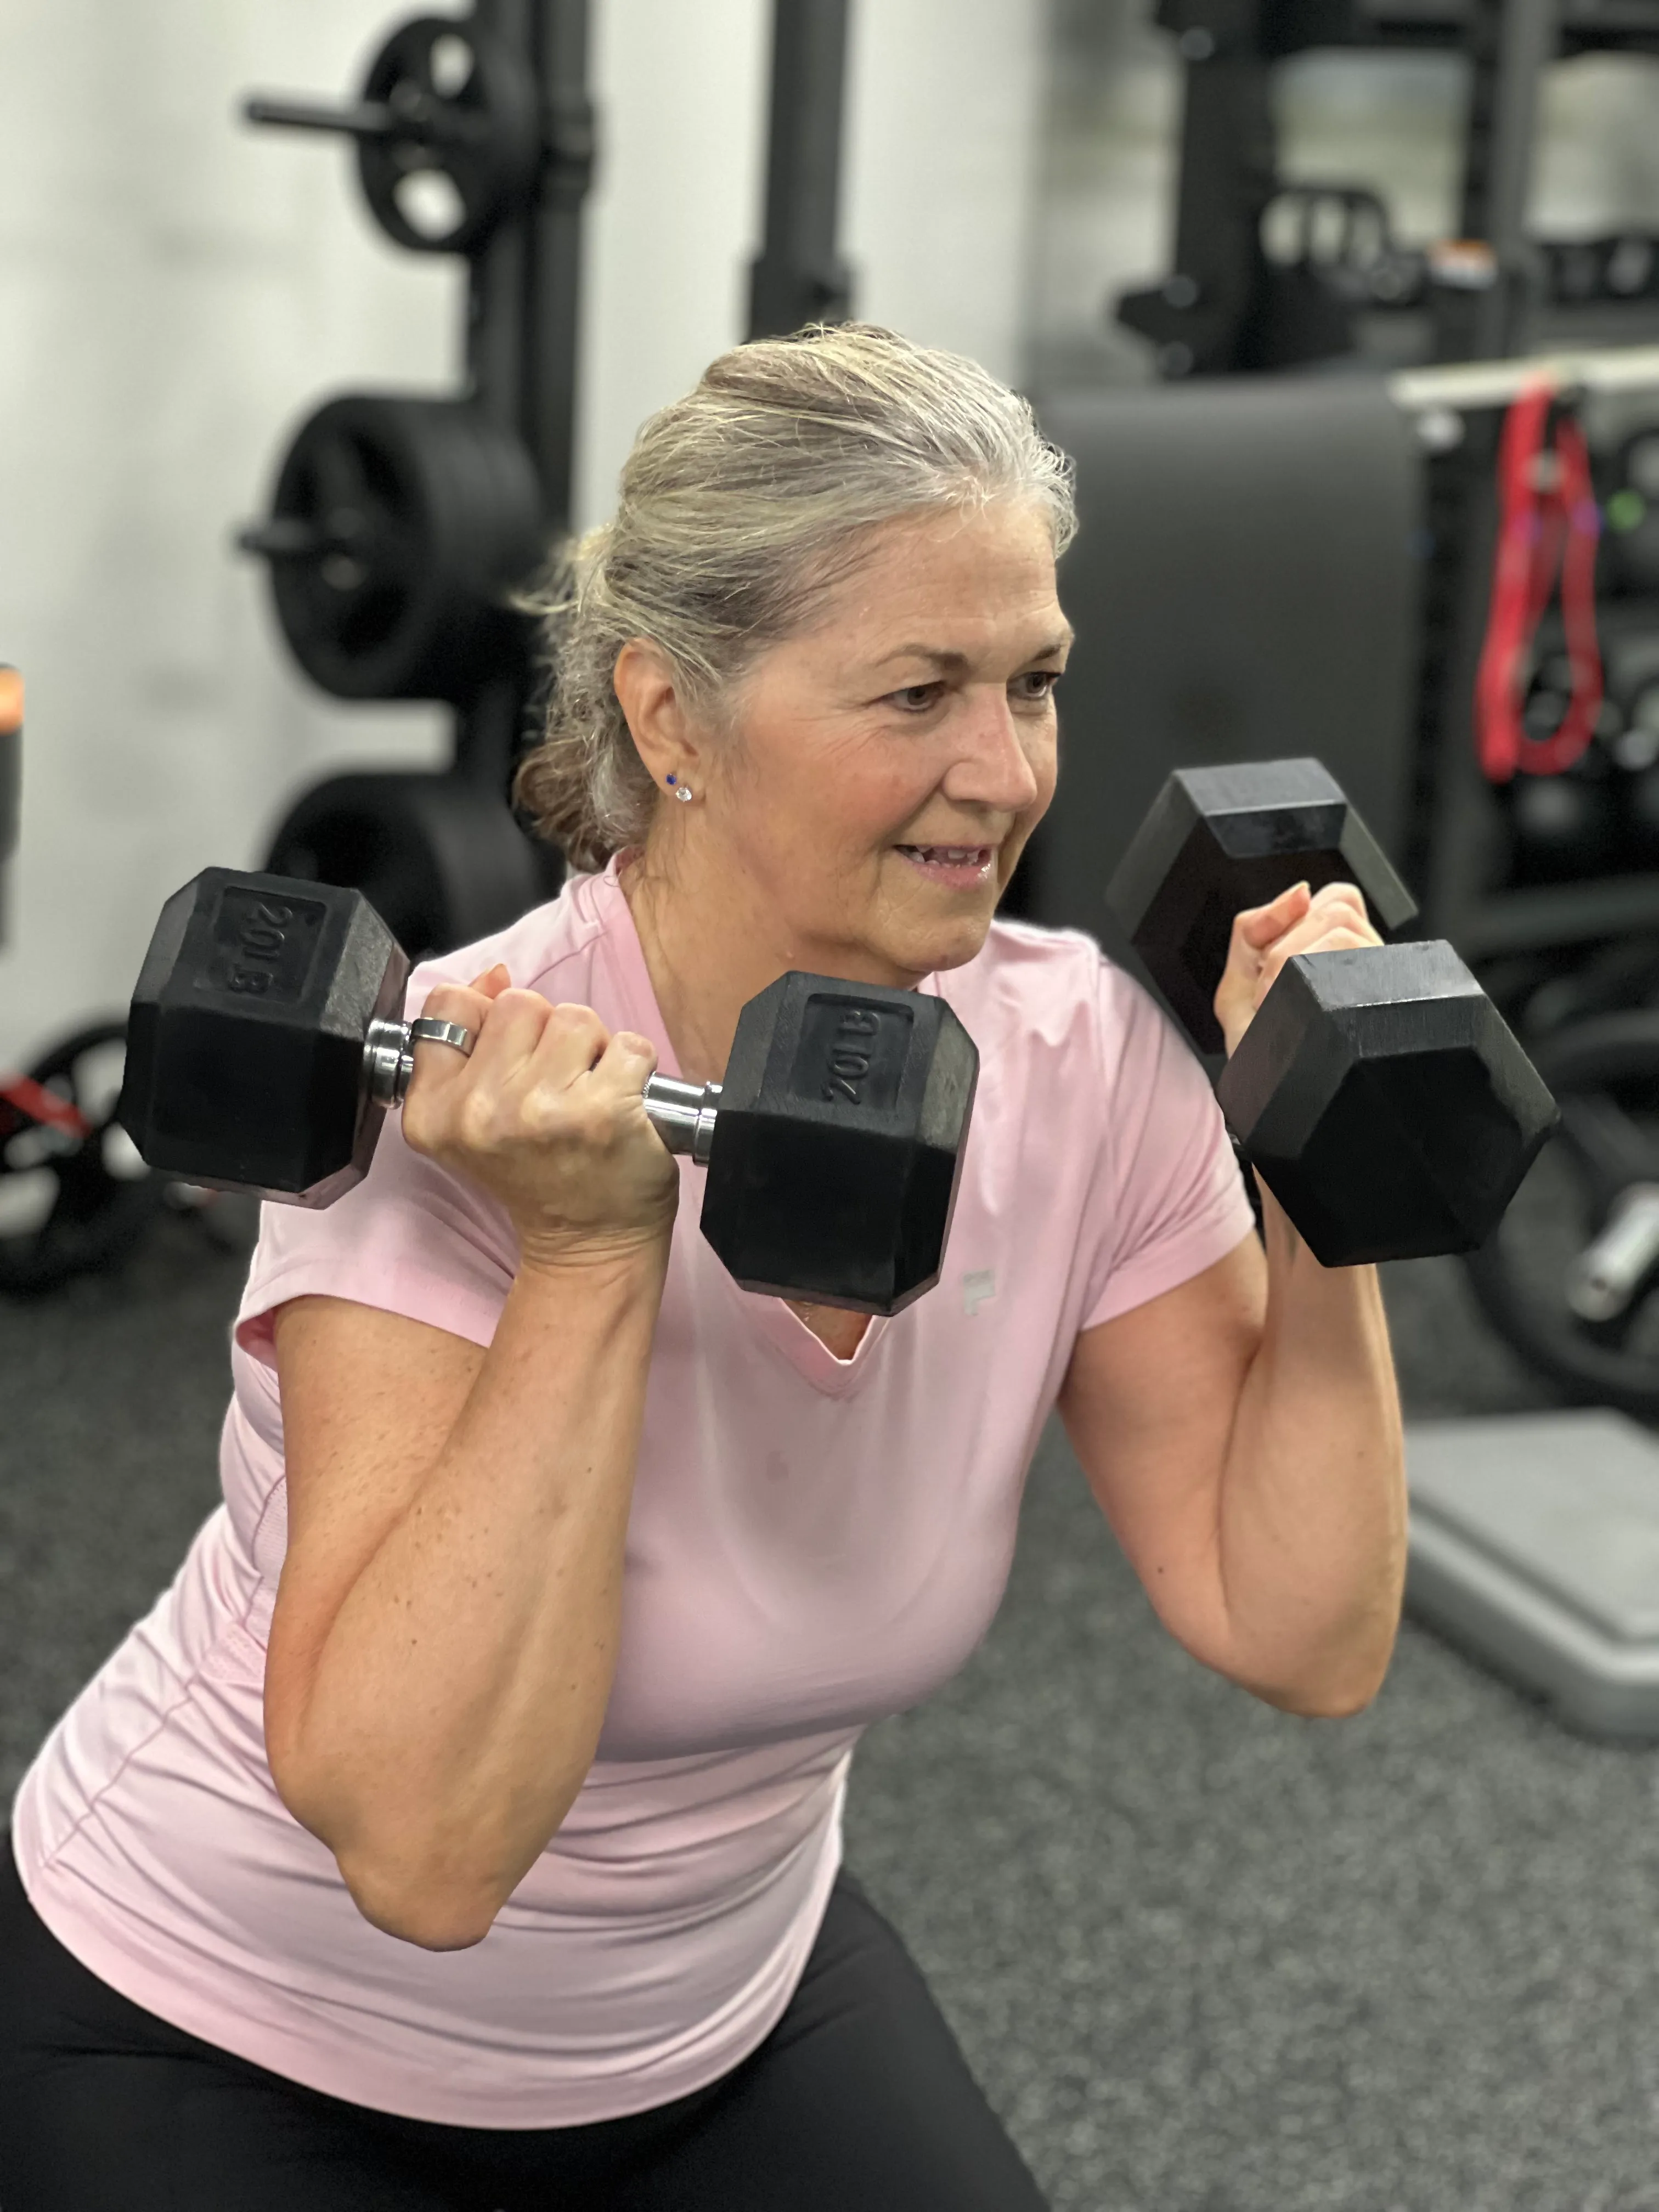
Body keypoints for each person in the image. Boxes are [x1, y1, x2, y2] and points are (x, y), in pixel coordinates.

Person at [0, 324, 1406, 2210]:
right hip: (232, 2027)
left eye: (1034, 683)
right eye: (918, 693)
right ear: (671, 719)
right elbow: (423, 1856)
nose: (1004, 772)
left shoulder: (1078, 1058)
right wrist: (589, 1250)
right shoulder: (449, 1096)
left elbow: (1298, 1630)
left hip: (717, 2016)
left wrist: (1323, 1162)